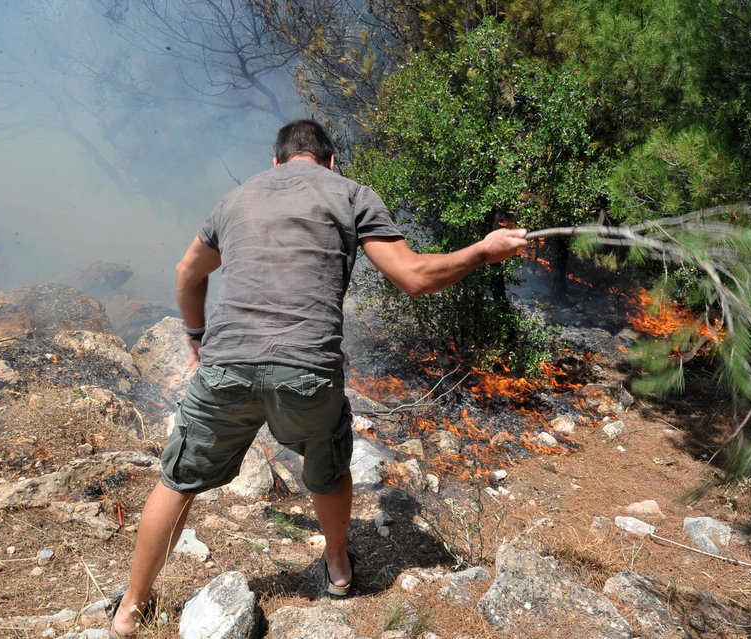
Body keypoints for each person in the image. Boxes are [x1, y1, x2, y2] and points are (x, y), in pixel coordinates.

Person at [110, 119, 528, 636]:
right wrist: (484, 251)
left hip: (225, 368)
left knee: (177, 480)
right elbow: (414, 278)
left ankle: (131, 609)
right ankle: (337, 569)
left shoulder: (236, 199)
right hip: (307, 368)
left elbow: (186, 273)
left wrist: (196, 336)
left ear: (276, 162)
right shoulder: (351, 193)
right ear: (331, 161)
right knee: (327, 469)